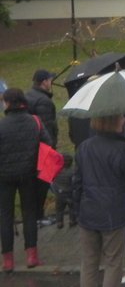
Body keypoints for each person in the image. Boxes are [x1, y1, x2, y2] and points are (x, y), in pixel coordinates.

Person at [72, 114, 125, 287]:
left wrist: (77, 211)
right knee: (113, 262)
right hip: (114, 213)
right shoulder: (124, 148)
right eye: (121, 118)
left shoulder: (84, 147)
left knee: (89, 263)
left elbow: (77, 183)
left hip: (88, 213)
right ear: (113, 122)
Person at [0, 87, 52, 271]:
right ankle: (32, 255)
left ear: (7, 103)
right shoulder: (34, 121)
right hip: (29, 174)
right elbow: (48, 143)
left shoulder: (2, 125)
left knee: (5, 216)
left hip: (4, 176)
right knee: (29, 213)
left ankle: (7, 260)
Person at [26, 69, 58, 227]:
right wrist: (51, 148)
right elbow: (46, 128)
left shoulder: (28, 96)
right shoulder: (44, 101)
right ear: (44, 81)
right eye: (50, 79)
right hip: (43, 151)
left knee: (32, 186)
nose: (51, 82)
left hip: (30, 150)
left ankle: (33, 216)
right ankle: (39, 217)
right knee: (42, 185)